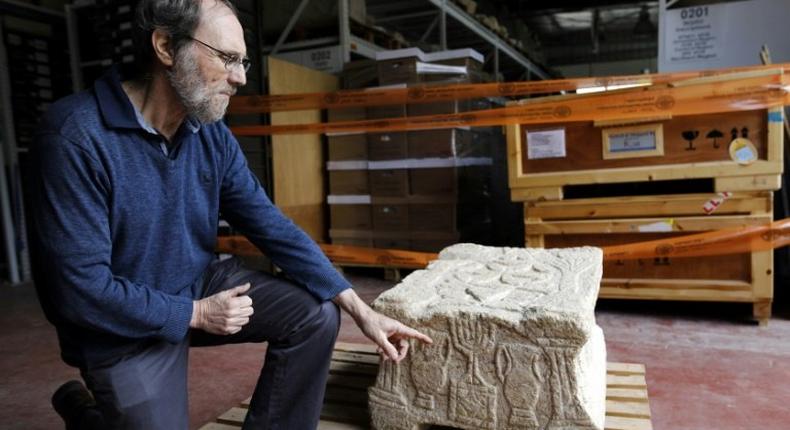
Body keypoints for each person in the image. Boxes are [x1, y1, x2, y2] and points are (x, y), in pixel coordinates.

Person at [28, 1, 432, 429]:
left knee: (315, 314)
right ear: (166, 46)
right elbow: (80, 291)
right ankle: (85, 413)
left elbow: (268, 224)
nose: (240, 77)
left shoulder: (208, 132)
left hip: (195, 282)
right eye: (227, 58)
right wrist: (197, 314)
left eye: (243, 61)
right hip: (121, 326)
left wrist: (360, 309)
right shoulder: (74, 136)